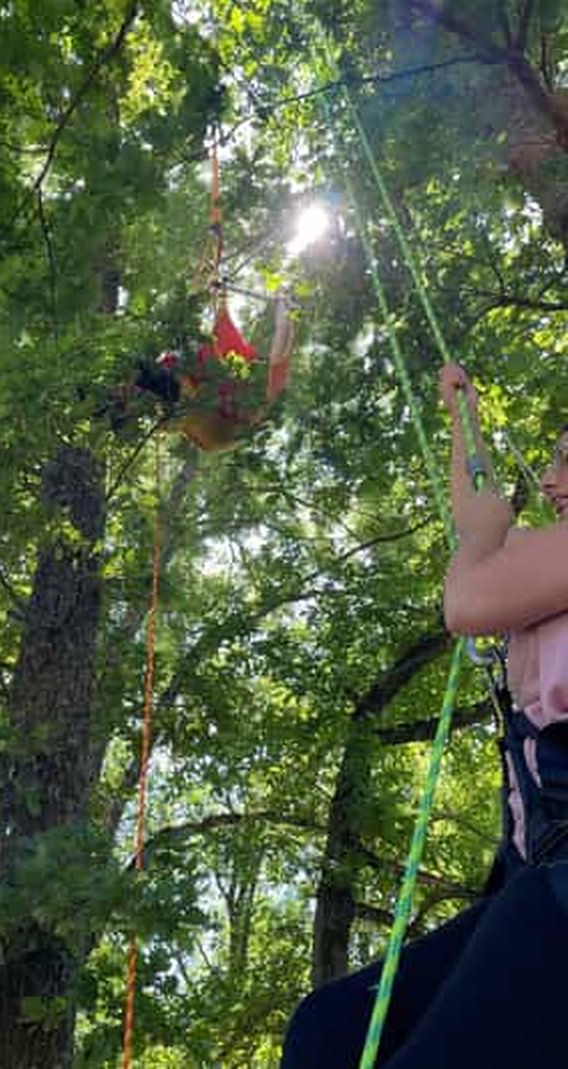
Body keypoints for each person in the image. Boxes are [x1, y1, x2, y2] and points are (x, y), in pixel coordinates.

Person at [280, 362, 568, 1068]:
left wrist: (481, 540)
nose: (550, 478)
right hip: (538, 863)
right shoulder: (546, 556)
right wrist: (461, 418)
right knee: (328, 1030)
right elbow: (480, 521)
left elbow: (468, 599)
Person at [132, 295, 296, 452]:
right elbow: (279, 354)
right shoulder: (252, 392)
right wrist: (286, 315)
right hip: (200, 392)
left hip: (195, 392)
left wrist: (285, 315)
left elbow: (280, 350)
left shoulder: (252, 399)